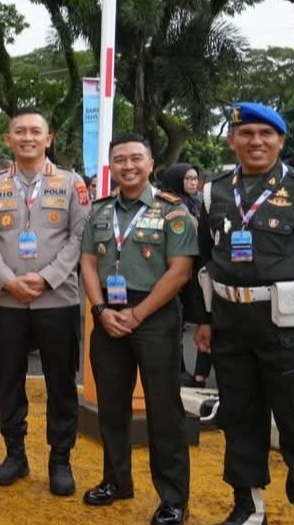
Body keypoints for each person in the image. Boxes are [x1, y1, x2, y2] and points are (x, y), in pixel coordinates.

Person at [198, 103, 294, 525]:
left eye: (266, 134)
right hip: (230, 320)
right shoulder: (214, 192)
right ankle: (249, 506)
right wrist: (205, 319)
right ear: (232, 140)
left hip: (287, 323)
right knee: (240, 415)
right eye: (246, 134)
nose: (256, 142)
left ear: (281, 141)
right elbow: (205, 257)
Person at [80, 132, 195, 525]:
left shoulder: (173, 211)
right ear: (111, 165)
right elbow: (88, 264)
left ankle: (173, 498)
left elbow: (180, 272)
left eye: (135, 158)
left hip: (154, 315)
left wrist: (139, 313)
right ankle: (116, 480)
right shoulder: (99, 211)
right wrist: (99, 310)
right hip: (108, 315)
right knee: (112, 405)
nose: (127, 166)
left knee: (164, 410)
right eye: (120, 159)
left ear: (150, 164)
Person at [0, 107, 90, 496]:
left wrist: (46, 278)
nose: (27, 137)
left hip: (56, 299)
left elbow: (80, 237)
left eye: (35, 131)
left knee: (61, 382)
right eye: (20, 131)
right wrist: (7, 280)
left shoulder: (72, 183)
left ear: (49, 138)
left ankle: (60, 459)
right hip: (6, 300)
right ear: (8, 139)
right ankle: (15, 455)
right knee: (7, 380)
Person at [157, 162, 211, 388]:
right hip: (171, 272)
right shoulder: (165, 204)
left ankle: (193, 373)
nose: (192, 183)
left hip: (195, 270)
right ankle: (174, 369)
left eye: (194, 178)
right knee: (172, 324)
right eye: (187, 178)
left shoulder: (198, 202)